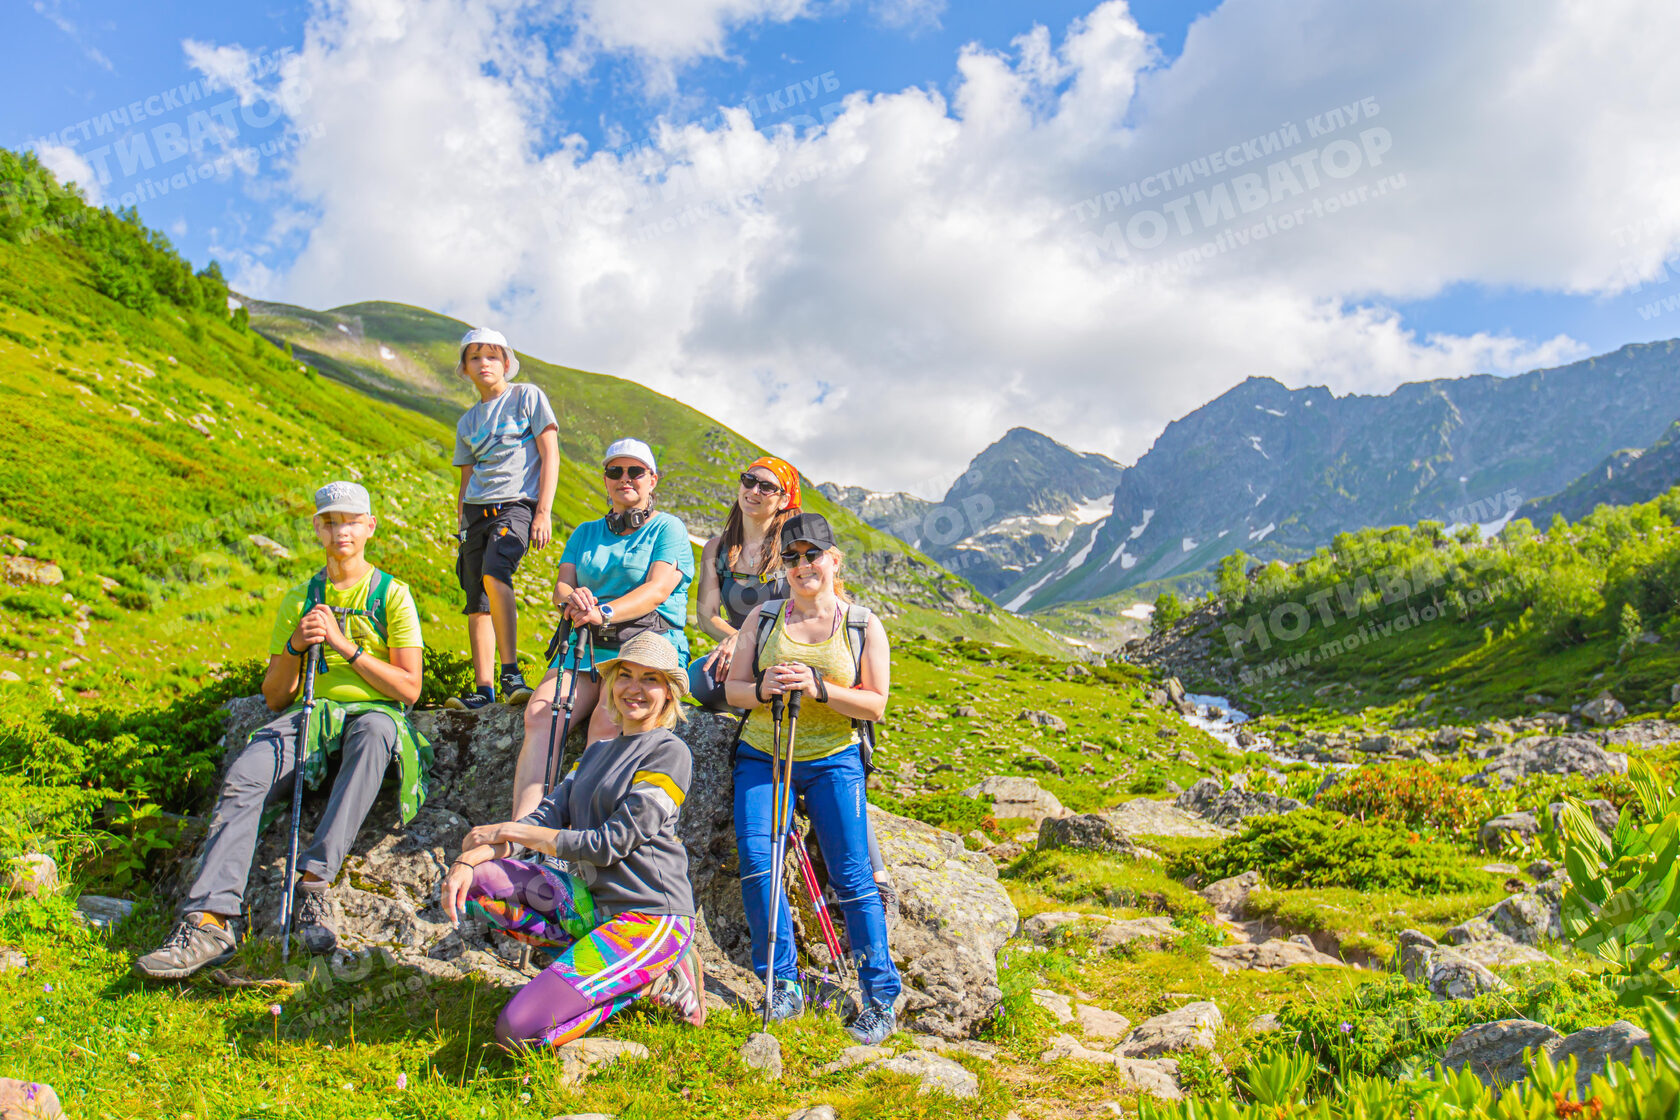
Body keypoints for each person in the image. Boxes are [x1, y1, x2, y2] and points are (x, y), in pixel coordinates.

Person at [136, 482, 430, 978]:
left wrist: (344, 646)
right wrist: (296, 644)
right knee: (246, 774)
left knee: (376, 733)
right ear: (317, 527)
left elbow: (409, 688)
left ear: (369, 527)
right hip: (309, 715)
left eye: (353, 521)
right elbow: (276, 697)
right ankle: (210, 919)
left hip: (373, 713)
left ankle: (313, 885)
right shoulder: (300, 598)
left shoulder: (392, 596)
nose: (342, 530)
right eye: (331, 521)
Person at [441, 633, 706, 1047]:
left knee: (517, 1031)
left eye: (650, 679)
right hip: (592, 906)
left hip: (650, 916)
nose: (634, 689)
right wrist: (469, 860)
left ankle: (650, 979)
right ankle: (607, 971)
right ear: (611, 684)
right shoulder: (596, 753)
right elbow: (545, 816)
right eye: (625, 676)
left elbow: (608, 843)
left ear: (669, 694)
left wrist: (507, 831)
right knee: (481, 881)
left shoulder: (669, 752)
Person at [724, 512, 901, 1045]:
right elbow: (734, 689)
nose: (803, 566)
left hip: (834, 760)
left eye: (812, 555)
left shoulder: (862, 624)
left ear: (833, 561)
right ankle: (781, 984)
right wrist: (763, 687)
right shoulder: (764, 617)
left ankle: (880, 999)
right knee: (760, 863)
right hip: (764, 754)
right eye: (793, 557)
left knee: (852, 875)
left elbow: (875, 704)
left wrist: (820, 687)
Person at [511, 438, 694, 819]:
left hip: (644, 645)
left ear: (652, 480)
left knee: (606, 723)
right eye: (615, 472)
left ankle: (581, 837)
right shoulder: (585, 533)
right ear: (606, 480)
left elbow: (657, 591)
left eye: (635, 472)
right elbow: (562, 585)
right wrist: (573, 600)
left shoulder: (668, 529)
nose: (625, 479)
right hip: (589, 644)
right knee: (541, 715)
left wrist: (604, 612)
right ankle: (522, 831)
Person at [445, 326, 559, 711]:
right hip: (476, 511)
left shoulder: (527, 396)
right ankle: (484, 688)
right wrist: (460, 523)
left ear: (506, 363)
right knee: (475, 597)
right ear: (465, 368)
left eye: (491, 356)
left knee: (497, 571)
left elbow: (550, 454)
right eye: (474, 357)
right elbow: (466, 477)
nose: (483, 364)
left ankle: (511, 673)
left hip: (517, 505)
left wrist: (542, 512)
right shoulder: (466, 422)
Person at [687, 456, 799, 711]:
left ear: (784, 500)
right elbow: (707, 617)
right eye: (748, 481)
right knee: (700, 677)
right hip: (739, 651)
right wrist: (738, 639)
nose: (753, 490)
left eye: (767, 487)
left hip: (784, 649)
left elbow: (802, 616)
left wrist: (747, 640)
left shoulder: (793, 549)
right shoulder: (716, 549)